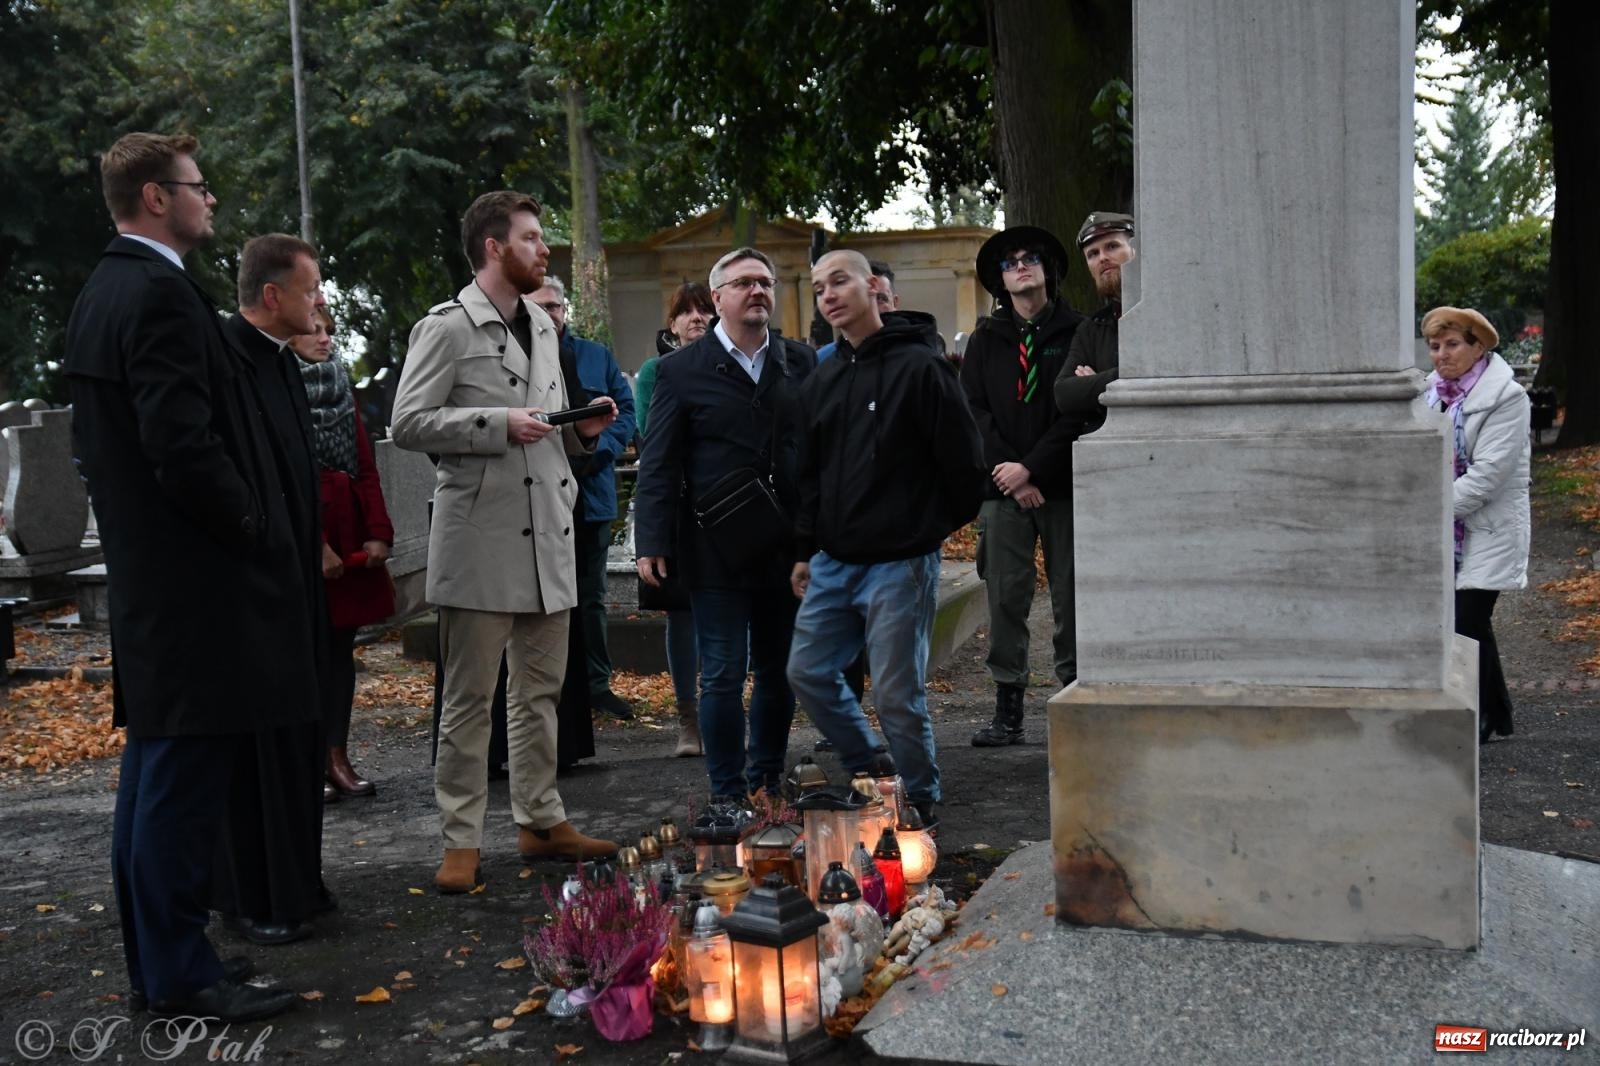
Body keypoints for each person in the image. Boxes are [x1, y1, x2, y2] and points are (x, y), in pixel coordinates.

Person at [65, 131, 302, 1021]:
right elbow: (180, 444)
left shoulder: (104, 289)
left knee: (156, 776)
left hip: (154, 581)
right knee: (178, 784)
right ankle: (176, 977)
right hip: (193, 586)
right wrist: (250, 522)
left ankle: (166, 960)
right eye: (200, 188)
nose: (211, 201)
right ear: (157, 197)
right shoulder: (157, 293)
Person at [391, 190, 621, 893]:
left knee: (541, 694)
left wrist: (579, 433)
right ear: (494, 247)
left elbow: (543, 428)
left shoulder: (545, 328)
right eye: (530, 238)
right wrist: (496, 423)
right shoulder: (446, 327)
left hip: (547, 532)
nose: (542, 248)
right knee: (469, 700)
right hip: (481, 538)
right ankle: (460, 838)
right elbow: (409, 422)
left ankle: (541, 819)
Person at [787, 251, 985, 830]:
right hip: (833, 560)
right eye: (819, 286)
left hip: (901, 563)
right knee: (808, 671)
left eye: (840, 281)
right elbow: (811, 476)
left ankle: (918, 798)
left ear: (874, 287)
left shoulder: (922, 369)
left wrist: (923, 530)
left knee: (897, 696)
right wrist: (804, 548)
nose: (828, 294)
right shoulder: (821, 379)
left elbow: (964, 465)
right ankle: (867, 762)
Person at [634, 247, 817, 801]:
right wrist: (653, 539)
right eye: (743, 283)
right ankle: (727, 791)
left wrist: (816, 537)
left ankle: (765, 778)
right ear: (718, 300)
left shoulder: (800, 361)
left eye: (765, 282)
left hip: (784, 543)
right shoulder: (678, 371)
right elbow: (659, 460)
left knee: (777, 669)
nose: (758, 291)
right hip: (712, 545)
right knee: (720, 674)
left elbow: (816, 455)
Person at [210, 233, 332, 948]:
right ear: (271, 296)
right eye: (311, 289)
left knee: (298, 733)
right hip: (250, 588)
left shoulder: (284, 364)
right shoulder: (224, 363)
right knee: (256, 746)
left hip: (295, 582)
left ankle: (295, 879)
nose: (319, 302)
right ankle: (250, 895)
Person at [960, 225, 1084, 747]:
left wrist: (1032, 468)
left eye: (1031, 258)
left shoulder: (1079, 331)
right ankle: (1008, 708)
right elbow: (973, 413)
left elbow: (1078, 411)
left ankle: (1077, 698)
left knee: (1072, 597)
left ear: (1048, 270)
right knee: (1006, 596)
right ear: (1001, 280)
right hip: (1003, 490)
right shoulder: (986, 339)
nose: (1021, 266)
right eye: (1010, 263)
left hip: (1062, 487)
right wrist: (1010, 474)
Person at [288, 303, 395, 800]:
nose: (326, 338)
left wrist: (378, 532)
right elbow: (282, 481)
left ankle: (337, 755)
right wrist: (316, 545)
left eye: (331, 330)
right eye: (315, 329)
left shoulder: (340, 389)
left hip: (350, 529)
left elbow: (366, 466)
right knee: (304, 655)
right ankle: (304, 762)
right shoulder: (278, 388)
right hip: (308, 535)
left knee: (339, 654)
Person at [531, 276, 638, 723]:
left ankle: (596, 685)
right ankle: (550, 690)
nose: (551, 314)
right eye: (541, 307)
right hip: (535, 496)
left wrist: (598, 451)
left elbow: (625, 413)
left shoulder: (596, 356)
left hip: (589, 494)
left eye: (556, 306)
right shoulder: (519, 358)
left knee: (589, 595)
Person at [1421, 306, 1530, 744]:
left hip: (1487, 527)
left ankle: (1480, 714)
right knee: (1463, 619)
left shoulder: (1507, 398)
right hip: (1444, 526)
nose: (1441, 355)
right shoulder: (1430, 393)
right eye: (1434, 346)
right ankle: (1498, 713)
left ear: (1478, 346)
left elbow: (1486, 478)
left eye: (1452, 345)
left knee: (1468, 617)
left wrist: (1424, 510)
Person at [634, 281, 715, 757]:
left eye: (704, 310)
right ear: (672, 325)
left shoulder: (735, 365)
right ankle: (688, 719)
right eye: (686, 312)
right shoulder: (656, 372)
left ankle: (719, 712)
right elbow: (655, 435)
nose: (696, 319)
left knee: (728, 618)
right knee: (682, 618)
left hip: (730, 510)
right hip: (680, 507)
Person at [1054, 212, 1135, 432]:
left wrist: (1096, 384)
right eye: (1092, 254)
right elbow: (1064, 394)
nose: (1102, 258)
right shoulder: (1091, 328)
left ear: (1135, 250)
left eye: (1112, 246)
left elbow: (1160, 376)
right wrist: (1123, 377)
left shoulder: (1163, 311)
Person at [815, 259, 900, 362]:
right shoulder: (822, 360)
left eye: (880, 299)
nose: (871, 307)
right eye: (820, 291)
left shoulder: (918, 357)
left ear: (895, 302)